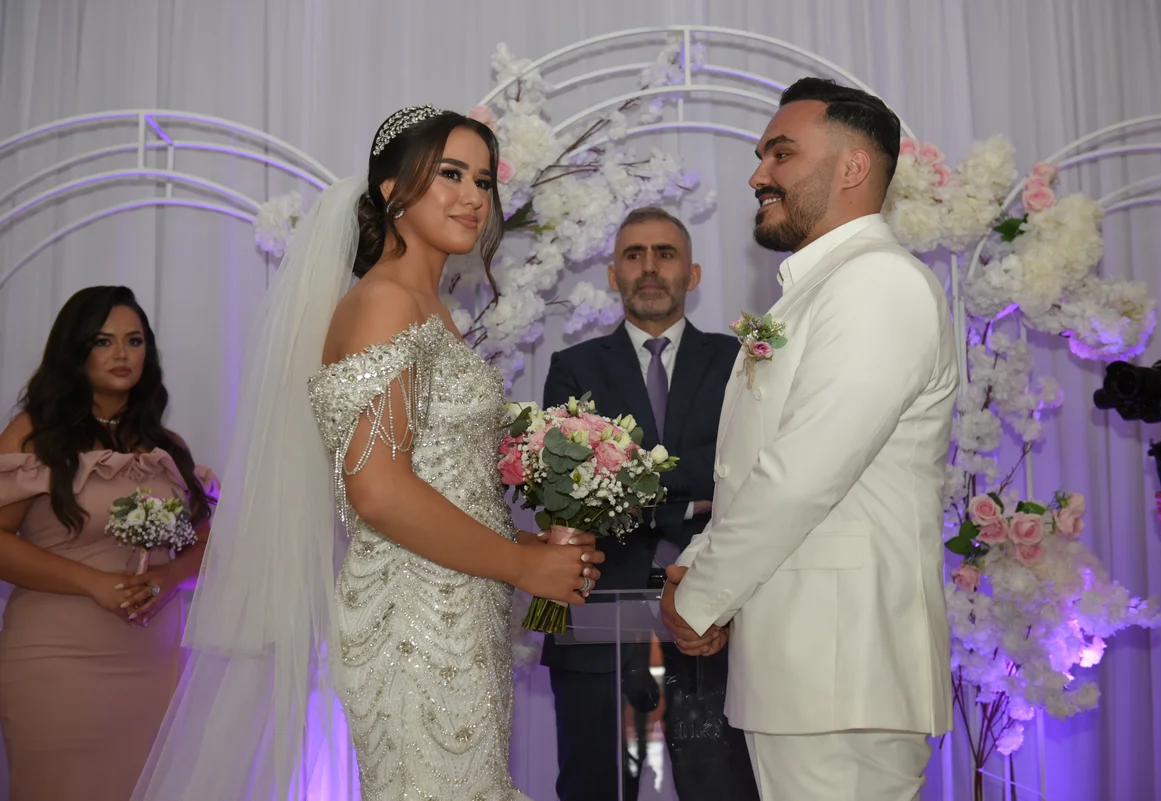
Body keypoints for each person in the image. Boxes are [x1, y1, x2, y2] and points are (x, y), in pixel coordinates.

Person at [131, 106, 603, 801]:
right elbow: (377, 490)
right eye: (450, 174)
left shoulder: (428, 307)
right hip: (413, 618)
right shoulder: (386, 302)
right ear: (391, 190)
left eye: (483, 180)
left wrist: (529, 544)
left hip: (458, 603)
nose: (473, 197)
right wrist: (522, 564)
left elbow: (440, 476)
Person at [660, 78, 959, 801]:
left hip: (844, 665)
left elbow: (803, 475)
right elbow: (758, 471)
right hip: (807, 671)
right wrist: (697, 571)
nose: (759, 175)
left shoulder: (879, 283)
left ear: (853, 167)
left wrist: (700, 595)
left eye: (782, 154)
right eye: (762, 157)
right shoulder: (819, 290)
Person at [540, 207, 755, 801]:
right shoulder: (573, 368)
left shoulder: (740, 362)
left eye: (666, 253)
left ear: (693, 273)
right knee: (593, 789)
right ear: (613, 275)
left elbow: (748, 470)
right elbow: (568, 488)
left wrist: (629, 480)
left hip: (714, 618)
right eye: (634, 255)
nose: (650, 267)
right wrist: (692, 502)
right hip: (597, 620)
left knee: (722, 789)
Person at [0, 285, 217, 801]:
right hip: (57, 656)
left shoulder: (168, 448)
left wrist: (168, 577)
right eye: (104, 341)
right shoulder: (35, 435)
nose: (122, 353)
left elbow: (207, 540)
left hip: (152, 660)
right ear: (74, 350)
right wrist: (93, 583)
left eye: (134, 340)